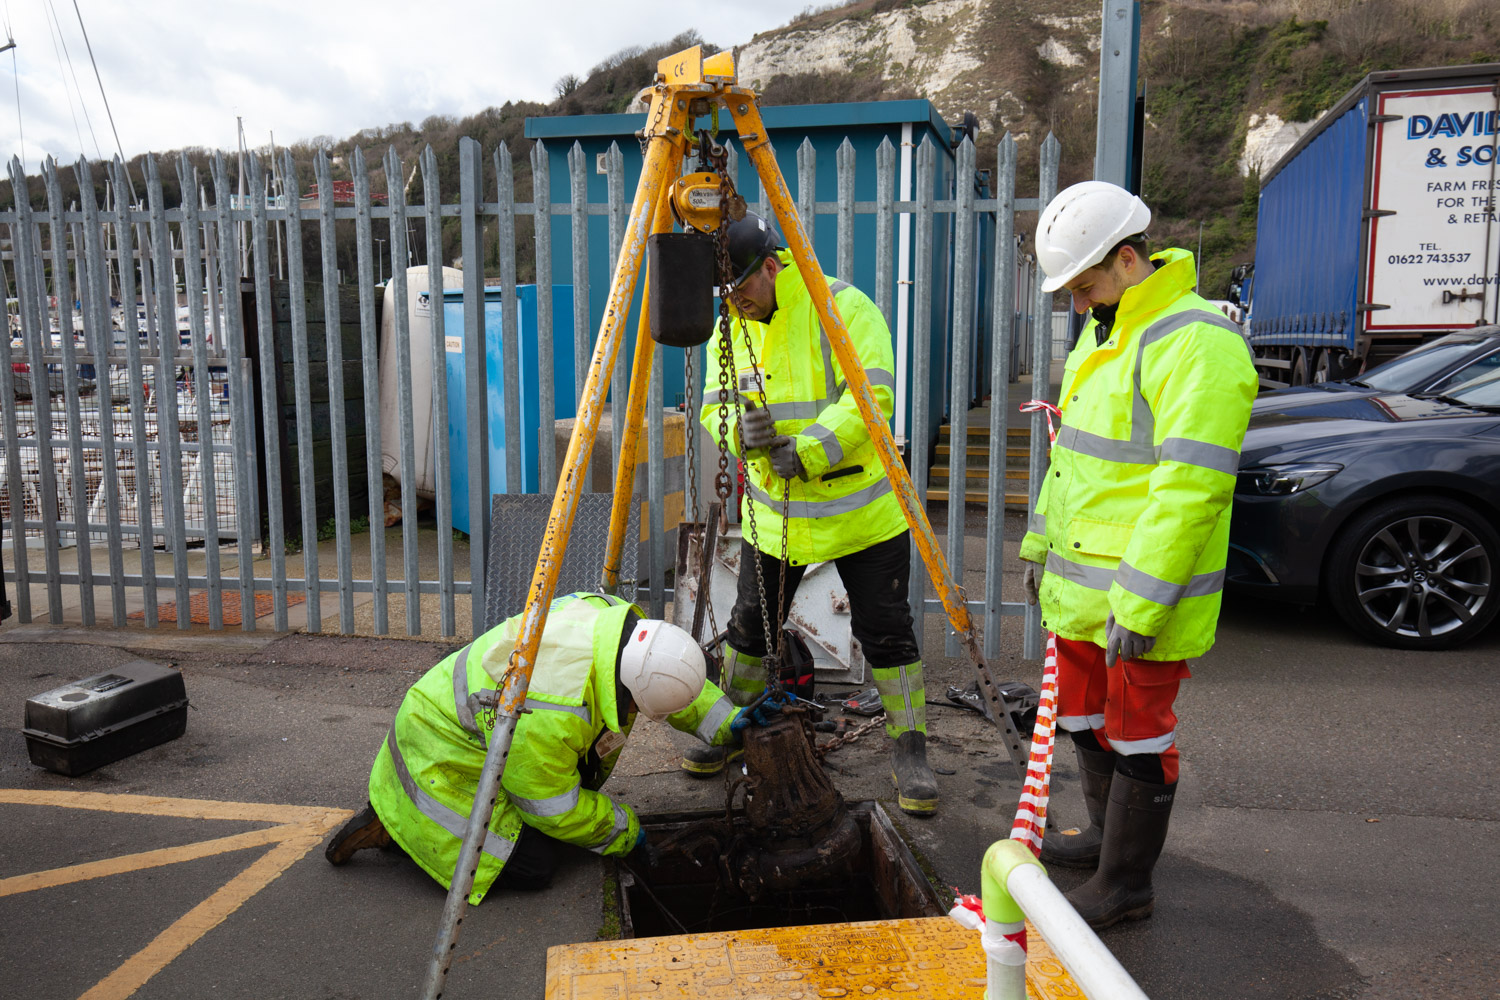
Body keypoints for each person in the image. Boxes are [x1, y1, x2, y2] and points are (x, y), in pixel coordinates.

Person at [1019, 181, 1256, 928]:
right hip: (1086, 593)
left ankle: (1126, 885)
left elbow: (1191, 490)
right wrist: (1038, 547)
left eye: (1086, 286)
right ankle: (1102, 843)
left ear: (1127, 260)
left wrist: (1145, 603)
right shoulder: (1107, 333)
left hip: (1138, 600)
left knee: (1139, 732)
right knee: (1086, 721)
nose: (1081, 305)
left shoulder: (1197, 343)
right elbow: (1076, 463)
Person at [686, 212, 937, 817]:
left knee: (886, 633)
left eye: (741, 288)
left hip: (861, 516)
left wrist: (809, 450)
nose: (736, 303)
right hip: (776, 519)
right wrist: (736, 434)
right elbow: (710, 405)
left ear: (772, 267)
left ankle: (911, 750)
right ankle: (729, 727)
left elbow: (870, 397)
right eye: (727, 295)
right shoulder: (736, 324)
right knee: (749, 629)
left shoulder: (843, 307)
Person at [325, 592, 767, 901]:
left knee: (560, 814)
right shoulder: (551, 710)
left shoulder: (618, 626)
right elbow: (553, 807)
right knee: (534, 866)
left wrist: (728, 723)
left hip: (484, 732)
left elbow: (669, 680)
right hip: (440, 755)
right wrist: (626, 834)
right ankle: (398, 824)